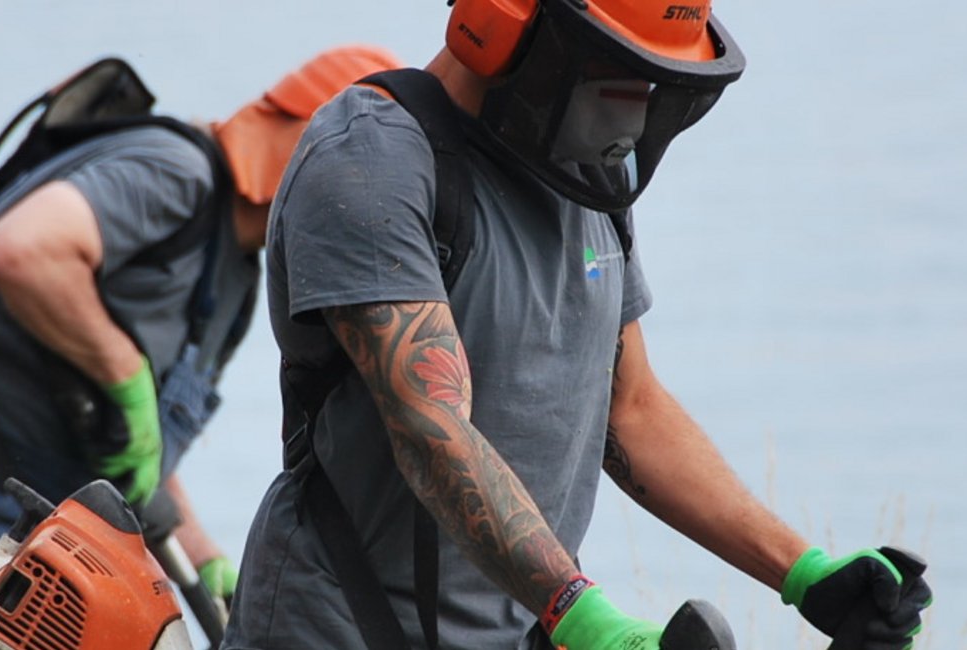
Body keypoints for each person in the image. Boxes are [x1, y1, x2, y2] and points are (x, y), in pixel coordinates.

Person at [223, 2, 931, 649]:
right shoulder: (372, 159)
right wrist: (582, 616)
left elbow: (630, 409)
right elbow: (431, 428)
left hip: (519, 628)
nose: (636, 107)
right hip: (338, 629)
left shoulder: (587, 180)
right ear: (509, 27)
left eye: (651, 80)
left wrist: (803, 572)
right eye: (615, 69)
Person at [0, 45, 401, 650]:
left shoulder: (240, 278)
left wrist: (202, 557)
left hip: (9, 496)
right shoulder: (175, 171)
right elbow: (25, 251)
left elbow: (138, 444)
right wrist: (123, 370)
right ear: (315, 142)